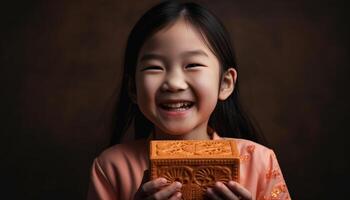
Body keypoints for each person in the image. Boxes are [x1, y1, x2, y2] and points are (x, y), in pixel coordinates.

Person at [87, 1, 291, 200]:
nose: (174, 83)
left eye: (193, 65)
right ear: (133, 88)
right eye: (154, 67)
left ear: (225, 83)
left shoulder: (260, 161)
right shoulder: (111, 167)